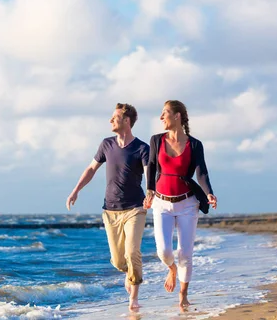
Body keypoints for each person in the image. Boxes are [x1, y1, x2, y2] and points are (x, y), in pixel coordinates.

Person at [66, 103, 150, 311]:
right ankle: (130, 274)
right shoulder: (106, 144)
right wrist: (76, 190)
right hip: (110, 210)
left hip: (135, 208)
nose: (111, 121)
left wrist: (150, 193)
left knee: (132, 253)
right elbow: (91, 169)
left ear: (126, 121)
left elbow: (150, 174)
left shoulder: (142, 148)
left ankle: (134, 299)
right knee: (118, 260)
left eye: (115, 117)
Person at [143, 100, 218, 312]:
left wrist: (209, 193)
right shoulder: (156, 140)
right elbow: (150, 168)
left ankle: (183, 295)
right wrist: (149, 192)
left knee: (186, 253)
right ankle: (172, 269)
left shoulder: (195, 145)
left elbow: (201, 172)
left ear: (177, 116)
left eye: (164, 113)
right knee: (164, 251)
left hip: (187, 204)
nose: (160, 117)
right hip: (161, 203)